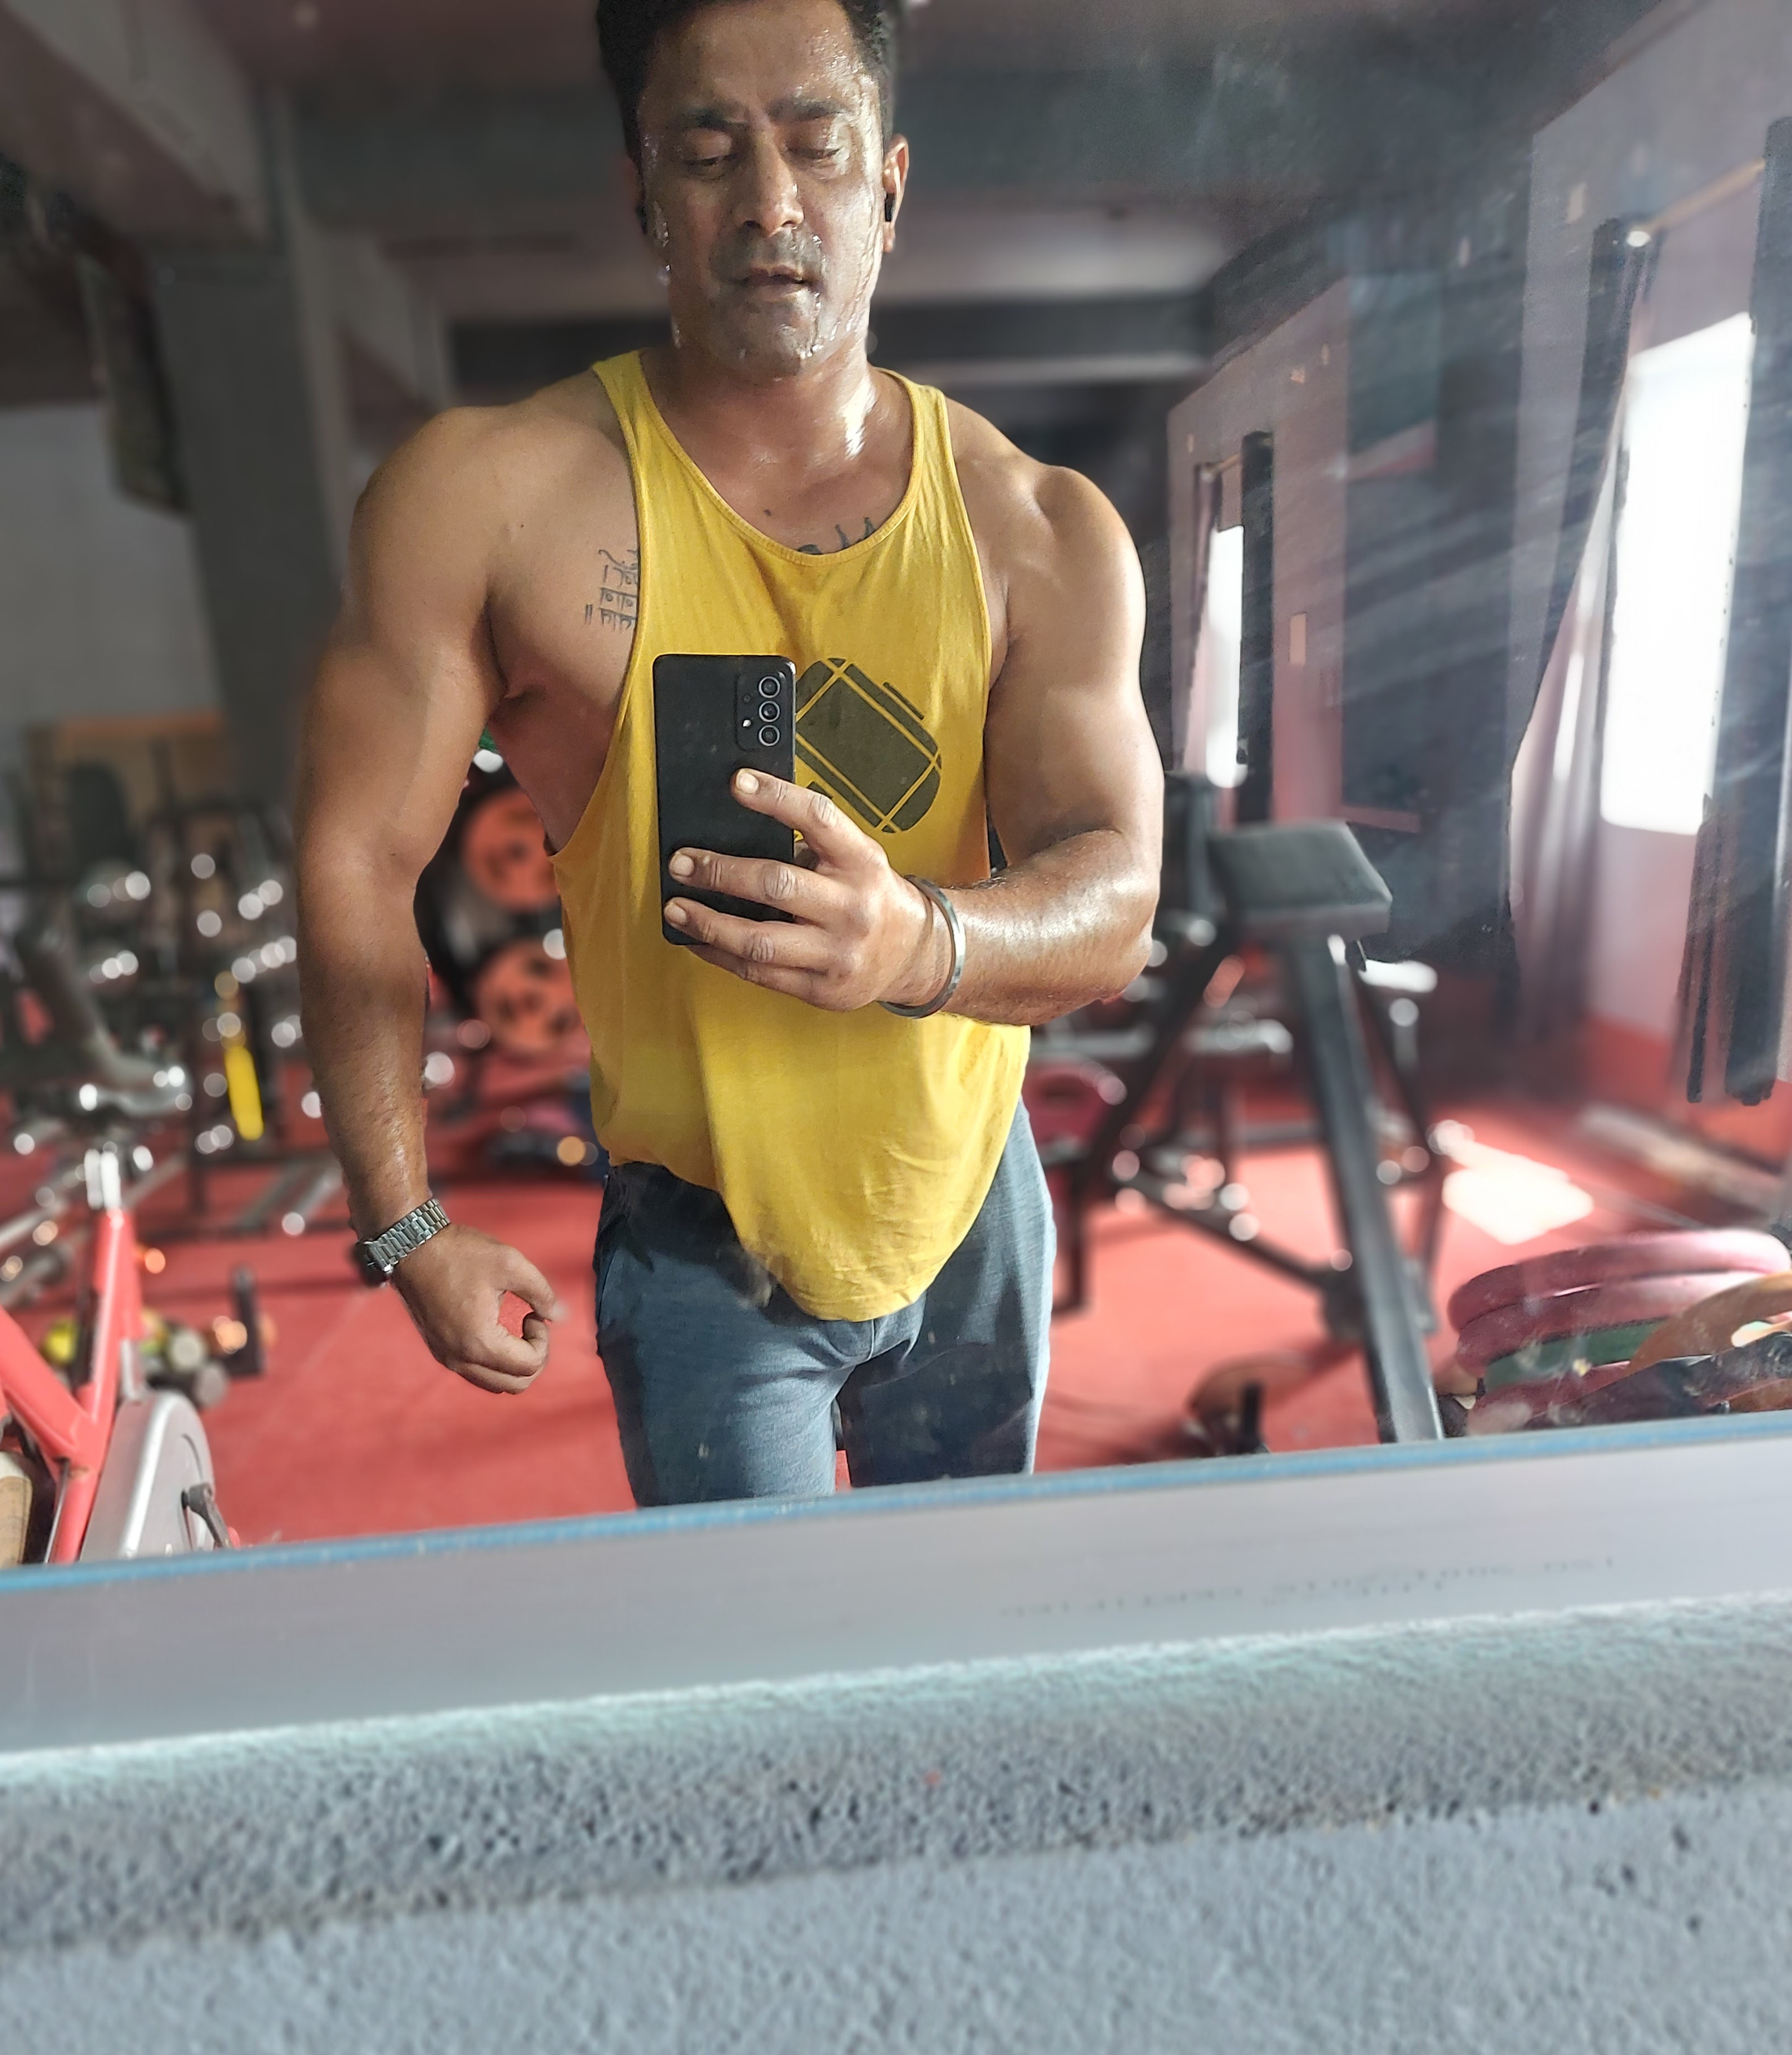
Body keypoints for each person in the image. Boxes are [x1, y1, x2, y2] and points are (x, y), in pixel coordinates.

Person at [295, 0, 1162, 1506]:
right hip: (704, 1237)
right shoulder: (488, 501)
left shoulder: (1037, 528)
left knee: (973, 1622)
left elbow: (1117, 896)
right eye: (709, 154)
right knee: (756, 1647)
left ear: (887, 184)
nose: (771, 203)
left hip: (973, 1198)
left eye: (818, 147)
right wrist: (404, 1221)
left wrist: (916, 943)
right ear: (644, 193)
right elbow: (356, 861)